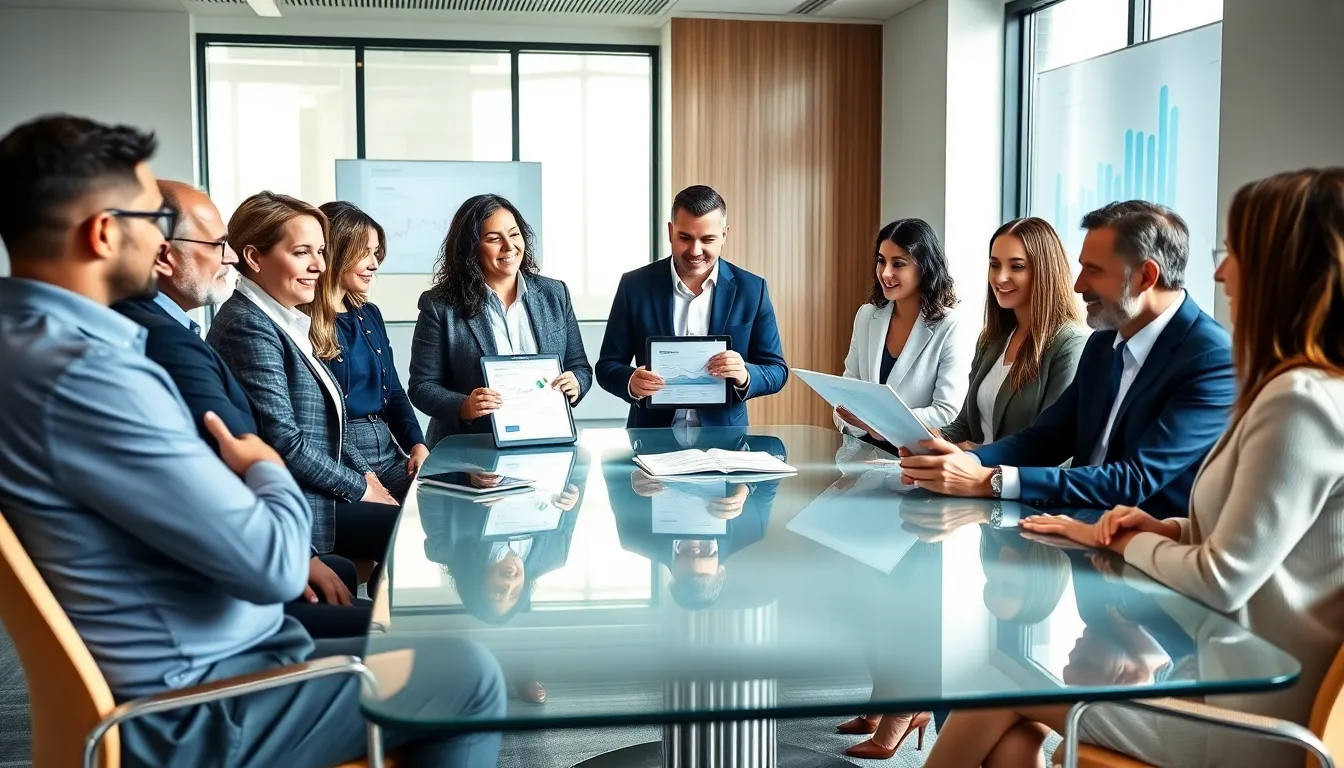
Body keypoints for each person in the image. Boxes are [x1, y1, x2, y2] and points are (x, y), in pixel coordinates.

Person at [0, 114, 503, 768]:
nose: (164, 244)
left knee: (430, 645)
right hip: (197, 701)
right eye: (154, 221)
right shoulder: (90, 377)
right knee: (464, 673)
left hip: (209, 656)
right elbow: (271, 558)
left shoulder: (31, 346)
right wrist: (265, 467)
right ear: (103, 233)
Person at [928, 167, 1344, 768]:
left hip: (1244, 718)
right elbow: (1261, 540)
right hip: (1232, 675)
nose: (1221, 272)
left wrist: (1120, 538)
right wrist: (1162, 530)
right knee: (1012, 731)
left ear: (1284, 270)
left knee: (999, 674)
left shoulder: (1297, 399)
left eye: (1235, 253)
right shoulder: (1307, 388)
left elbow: (1222, 576)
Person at [111, 181, 371, 637]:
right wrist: (301, 552)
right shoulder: (181, 337)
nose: (227, 257)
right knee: (420, 641)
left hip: (256, 544)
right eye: (217, 245)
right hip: (239, 579)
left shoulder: (177, 329)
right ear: (163, 255)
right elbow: (249, 457)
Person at [898, 201, 1236, 518]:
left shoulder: (1210, 357)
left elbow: (1134, 480)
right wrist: (966, 459)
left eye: (1094, 271)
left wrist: (991, 480)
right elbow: (1046, 438)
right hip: (1075, 532)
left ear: (1146, 276)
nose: (1077, 285)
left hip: (1147, 558)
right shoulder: (1104, 342)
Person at [208, 191, 401, 570]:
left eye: (321, 251)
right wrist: (362, 488)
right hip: (299, 502)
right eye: (302, 253)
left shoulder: (287, 319)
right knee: (406, 529)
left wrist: (368, 478)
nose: (319, 266)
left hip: (320, 487)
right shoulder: (247, 326)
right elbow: (286, 442)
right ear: (253, 257)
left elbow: (333, 425)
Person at [596, 185, 789, 429]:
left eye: (707, 239)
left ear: (724, 235)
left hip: (725, 439)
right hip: (651, 436)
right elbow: (607, 366)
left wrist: (745, 374)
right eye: (685, 238)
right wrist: (630, 382)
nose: (695, 251)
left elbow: (777, 370)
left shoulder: (752, 289)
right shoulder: (634, 286)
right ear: (670, 231)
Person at [409, 193, 592, 448]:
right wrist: (465, 406)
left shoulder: (555, 294)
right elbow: (422, 386)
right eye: (494, 239)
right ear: (471, 248)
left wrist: (576, 383)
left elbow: (580, 366)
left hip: (546, 442)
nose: (509, 246)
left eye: (514, 234)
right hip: (469, 451)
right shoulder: (441, 305)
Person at [309, 200, 428, 502]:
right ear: (336, 250)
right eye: (365, 253)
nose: (374, 264)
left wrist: (417, 444)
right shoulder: (304, 322)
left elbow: (395, 394)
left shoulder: (369, 314)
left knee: (451, 506)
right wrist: (365, 477)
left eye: (376, 253)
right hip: (342, 460)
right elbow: (326, 421)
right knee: (401, 524)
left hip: (389, 454)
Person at [938, 217, 1087, 448]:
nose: (1000, 277)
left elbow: (1055, 447)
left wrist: (978, 454)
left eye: (1016, 266)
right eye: (994, 265)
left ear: (1045, 272)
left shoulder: (1070, 344)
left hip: (1007, 480)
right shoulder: (991, 339)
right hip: (968, 475)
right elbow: (966, 424)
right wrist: (930, 438)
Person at [834, 218, 971, 441]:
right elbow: (845, 398)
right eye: (881, 261)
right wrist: (856, 421)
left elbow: (946, 412)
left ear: (924, 268)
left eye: (898, 264)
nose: (885, 273)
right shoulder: (867, 315)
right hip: (861, 455)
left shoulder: (950, 326)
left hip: (916, 456)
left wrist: (880, 425)